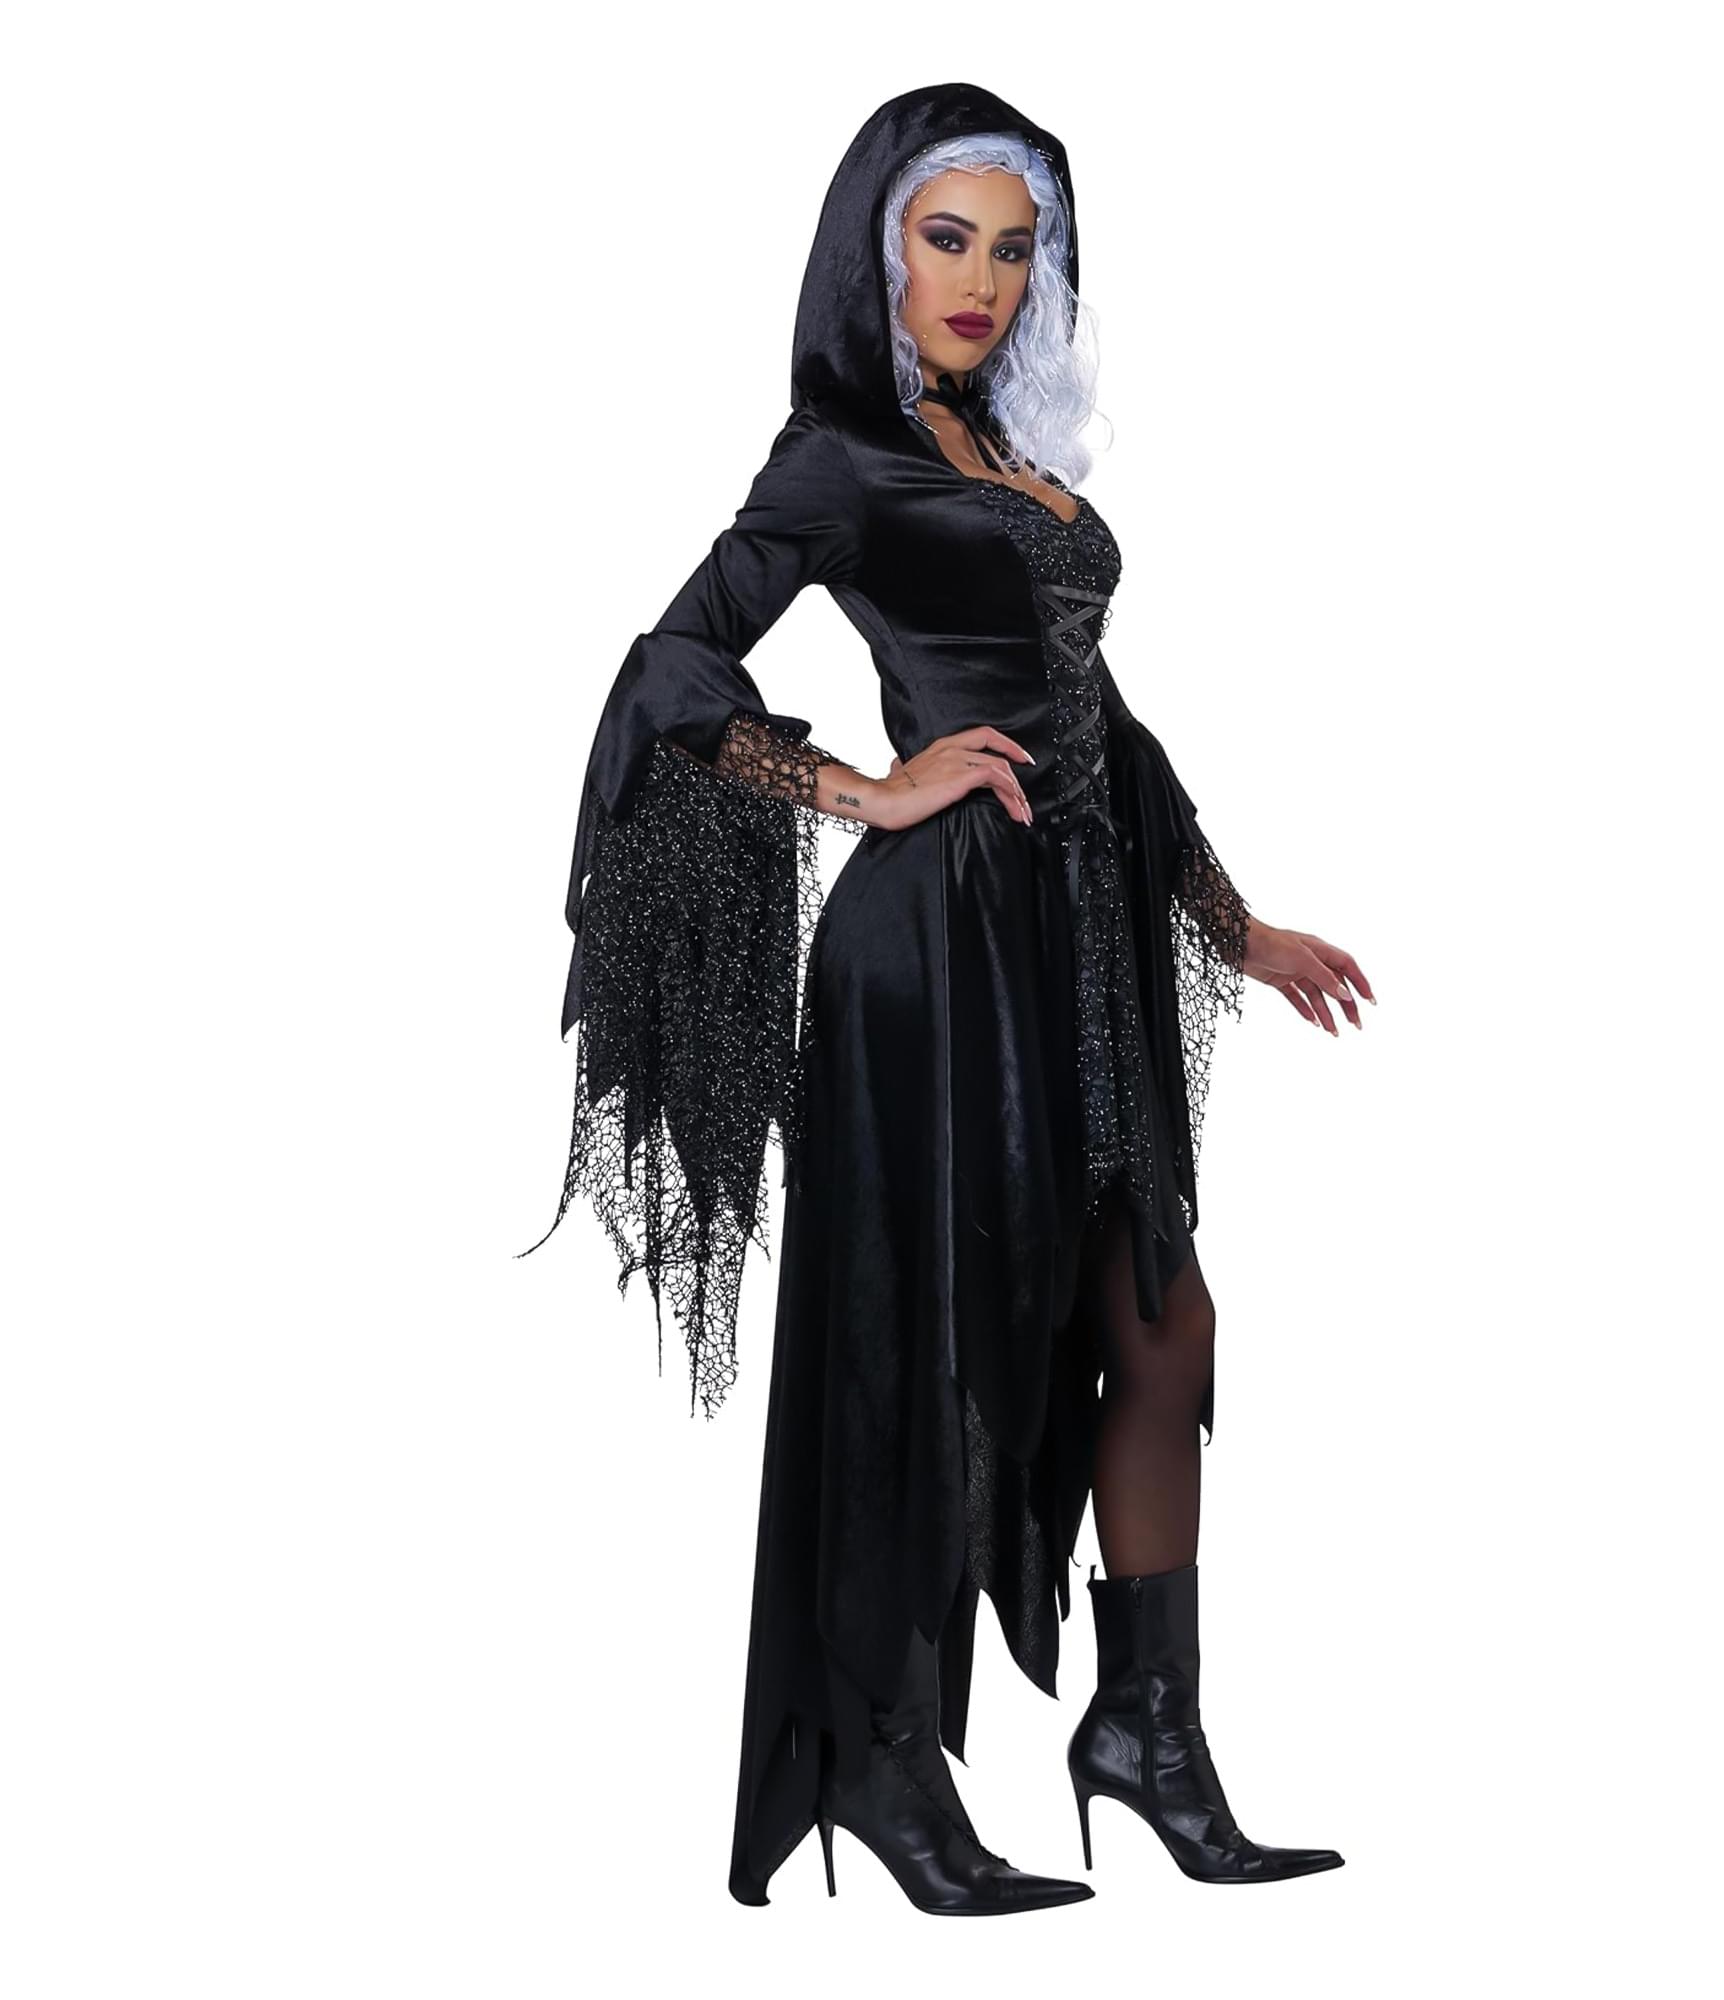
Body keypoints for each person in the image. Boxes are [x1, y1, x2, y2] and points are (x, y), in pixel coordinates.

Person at [522, 81, 1373, 1915]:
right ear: (879, 252)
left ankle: (1147, 1736)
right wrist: (862, 786)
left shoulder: (1008, 454)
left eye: (1015, 248)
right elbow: (671, 667)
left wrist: (1235, 925)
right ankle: (885, 1759)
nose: (982, 278)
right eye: (946, 238)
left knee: (1161, 1319)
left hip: (1080, 941)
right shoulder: (836, 455)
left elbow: (1097, 725)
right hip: (937, 945)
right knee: (932, 1338)